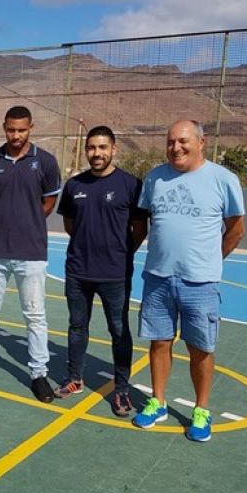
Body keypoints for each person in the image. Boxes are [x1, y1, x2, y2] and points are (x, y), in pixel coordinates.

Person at [132, 119, 245, 442]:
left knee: (201, 348)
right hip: (158, 278)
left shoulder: (223, 179)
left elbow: (237, 229)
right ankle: (158, 402)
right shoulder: (154, 178)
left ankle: (202, 409)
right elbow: (147, 222)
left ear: (201, 142)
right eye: (170, 142)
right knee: (159, 342)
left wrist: (211, 261)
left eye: (183, 141)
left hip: (201, 283)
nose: (176, 148)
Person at [0, 106, 62, 403]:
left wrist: (25, 223)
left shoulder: (45, 161)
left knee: (35, 315)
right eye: (11, 130)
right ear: (4, 127)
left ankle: (38, 374)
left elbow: (48, 204)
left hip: (31, 251)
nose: (16, 136)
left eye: (22, 130)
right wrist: (7, 223)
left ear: (31, 128)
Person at [54, 126, 147, 416]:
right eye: (92, 148)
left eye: (103, 148)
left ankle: (121, 391)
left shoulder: (131, 184)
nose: (97, 153)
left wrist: (119, 254)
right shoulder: (74, 186)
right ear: (86, 150)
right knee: (77, 327)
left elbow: (139, 229)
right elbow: (70, 225)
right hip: (78, 272)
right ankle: (75, 378)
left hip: (115, 275)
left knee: (119, 331)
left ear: (114, 149)